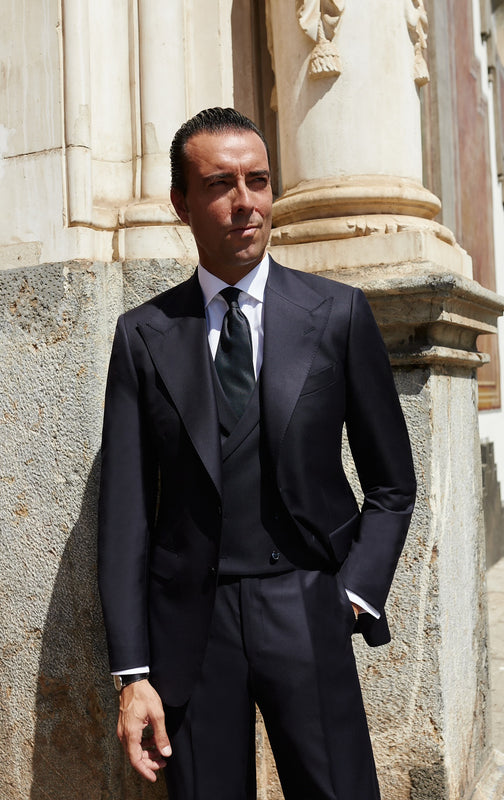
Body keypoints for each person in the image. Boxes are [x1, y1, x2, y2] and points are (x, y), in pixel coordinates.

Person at [98, 107, 416, 800]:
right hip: (191, 629)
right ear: (182, 204)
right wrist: (133, 674)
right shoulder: (143, 335)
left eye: (259, 181)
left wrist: (350, 598)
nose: (245, 202)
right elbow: (125, 517)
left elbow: (392, 485)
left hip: (308, 605)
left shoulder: (337, 313)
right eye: (220, 184)